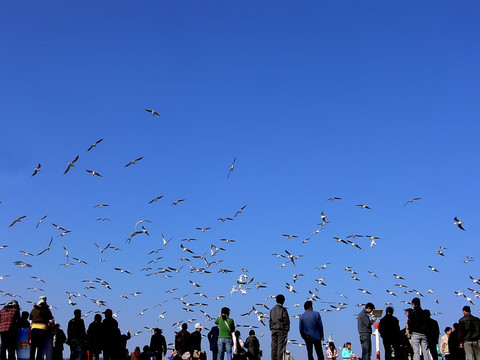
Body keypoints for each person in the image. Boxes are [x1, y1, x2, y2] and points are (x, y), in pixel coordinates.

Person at [29, 296, 55, 360]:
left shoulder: (33, 310)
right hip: (42, 329)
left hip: (34, 329)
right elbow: (51, 320)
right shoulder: (47, 310)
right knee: (40, 347)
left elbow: (30, 321)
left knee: (33, 346)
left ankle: (31, 358)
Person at [270, 294, 290, 360]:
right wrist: (286, 330)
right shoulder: (283, 310)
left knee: (274, 347)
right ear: (283, 301)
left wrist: (272, 328)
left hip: (273, 330)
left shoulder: (272, 310)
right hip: (281, 330)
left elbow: (270, 320)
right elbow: (286, 321)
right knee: (280, 348)